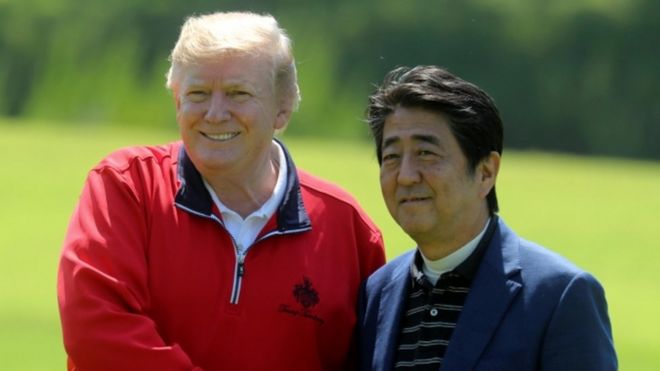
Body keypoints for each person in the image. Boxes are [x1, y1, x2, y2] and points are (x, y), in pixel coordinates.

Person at [57, 11, 386, 371]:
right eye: (198, 93)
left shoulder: (348, 230)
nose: (215, 113)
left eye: (237, 93)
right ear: (177, 102)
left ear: (283, 108)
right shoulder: (125, 186)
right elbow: (96, 331)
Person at [358, 65, 617, 370]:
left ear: (486, 172)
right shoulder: (378, 292)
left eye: (426, 153)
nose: (406, 176)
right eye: (392, 157)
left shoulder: (559, 296)